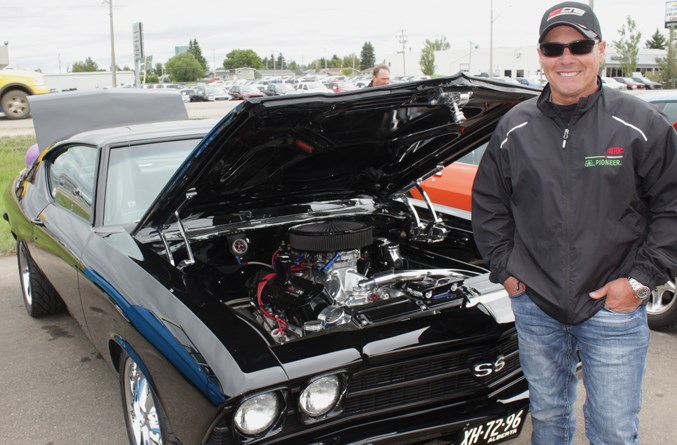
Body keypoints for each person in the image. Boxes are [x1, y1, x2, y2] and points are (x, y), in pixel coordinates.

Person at [471, 2, 677, 444]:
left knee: (614, 431)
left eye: (579, 45)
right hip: (536, 308)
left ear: (600, 49)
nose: (567, 58)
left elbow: (672, 208)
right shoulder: (513, 127)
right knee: (548, 418)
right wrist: (506, 271)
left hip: (613, 310)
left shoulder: (641, 124)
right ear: (541, 54)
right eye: (554, 47)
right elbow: (490, 206)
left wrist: (640, 281)